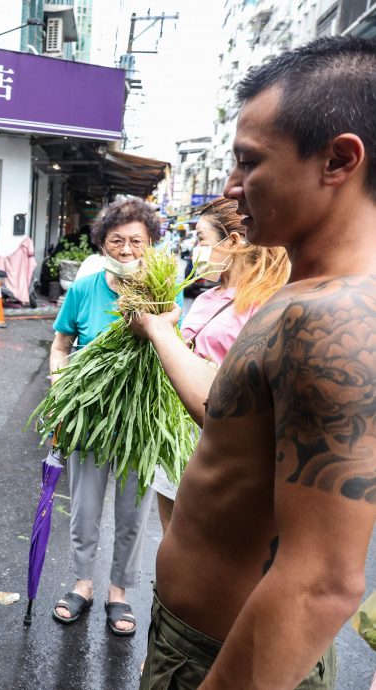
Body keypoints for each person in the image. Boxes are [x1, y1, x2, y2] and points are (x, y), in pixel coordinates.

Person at [139, 36, 376, 689]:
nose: (230, 187)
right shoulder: (301, 300)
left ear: (337, 160)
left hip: (222, 659)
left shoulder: (334, 319)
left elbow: (322, 582)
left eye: (248, 163)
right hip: (199, 643)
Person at [49, 196, 173, 637]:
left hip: (139, 418)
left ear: (151, 244)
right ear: (102, 244)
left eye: (136, 241)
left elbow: (175, 351)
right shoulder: (84, 288)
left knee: (132, 511)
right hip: (89, 415)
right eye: (116, 240)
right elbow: (61, 344)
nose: (125, 249)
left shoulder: (163, 292)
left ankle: (118, 593)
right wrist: (59, 388)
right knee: (83, 507)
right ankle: (82, 583)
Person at [129, 198, 290, 533]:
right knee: (171, 536)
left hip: (221, 440)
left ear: (232, 242)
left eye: (201, 239)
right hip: (177, 431)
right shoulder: (204, 298)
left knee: (207, 542)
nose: (196, 250)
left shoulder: (269, 303)